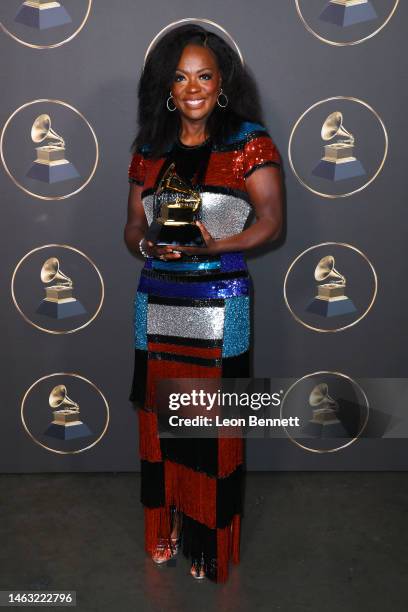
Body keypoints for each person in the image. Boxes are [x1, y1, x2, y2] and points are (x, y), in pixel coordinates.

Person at [124, 24, 283, 582]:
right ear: (168, 86)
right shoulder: (150, 146)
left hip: (220, 302)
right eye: (181, 76)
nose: (193, 87)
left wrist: (223, 244)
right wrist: (146, 243)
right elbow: (132, 225)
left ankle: (207, 541)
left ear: (222, 83)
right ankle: (163, 523)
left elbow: (270, 222)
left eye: (205, 75)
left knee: (211, 428)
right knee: (157, 421)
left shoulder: (248, 141)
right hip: (158, 300)